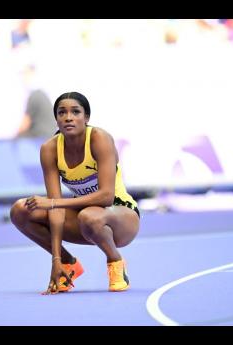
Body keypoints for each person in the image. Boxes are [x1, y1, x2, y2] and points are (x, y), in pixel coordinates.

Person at [10, 91, 140, 294]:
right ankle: (70, 265)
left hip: (120, 216)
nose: (68, 117)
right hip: (83, 220)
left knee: (90, 216)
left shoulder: (99, 138)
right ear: (56, 119)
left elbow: (106, 196)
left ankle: (115, 260)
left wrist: (53, 203)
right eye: (62, 113)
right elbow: (55, 209)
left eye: (75, 112)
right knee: (21, 210)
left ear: (86, 118)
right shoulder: (49, 149)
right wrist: (56, 259)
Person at [16, 65, 57, 138]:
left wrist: (14, 138)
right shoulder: (42, 94)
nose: (23, 78)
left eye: (25, 74)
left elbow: (25, 124)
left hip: (39, 138)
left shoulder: (35, 95)